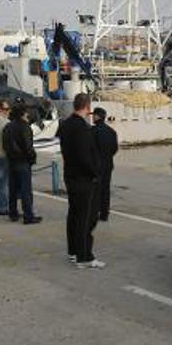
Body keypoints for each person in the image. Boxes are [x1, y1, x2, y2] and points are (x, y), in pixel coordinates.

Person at [57, 92, 103, 268]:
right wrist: (95, 173)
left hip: (70, 174)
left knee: (74, 215)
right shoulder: (82, 128)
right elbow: (85, 157)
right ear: (88, 107)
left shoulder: (65, 125)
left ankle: (73, 251)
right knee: (86, 218)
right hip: (83, 178)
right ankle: (85, 256)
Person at [2, 102, 42, 225]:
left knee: (13, 188)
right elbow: (28, 146)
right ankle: (28, 215)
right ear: (24, 113)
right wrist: (32, 158)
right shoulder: (25, 127)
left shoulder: (8, 126)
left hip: (11, 160)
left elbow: (5, 144)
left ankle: (13, 213)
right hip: (23, 161)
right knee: (25, 190)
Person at [91, 107, 119, 222]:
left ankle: (95, 212)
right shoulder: (112, 132)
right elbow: (114, 149)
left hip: (96, 165)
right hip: (108, 164)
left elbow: (90, 149)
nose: (92, 117)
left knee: (95, 190)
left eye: (94, 115)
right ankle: (104, 213)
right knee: (105, 189)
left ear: (98, 117)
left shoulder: (92, 131)